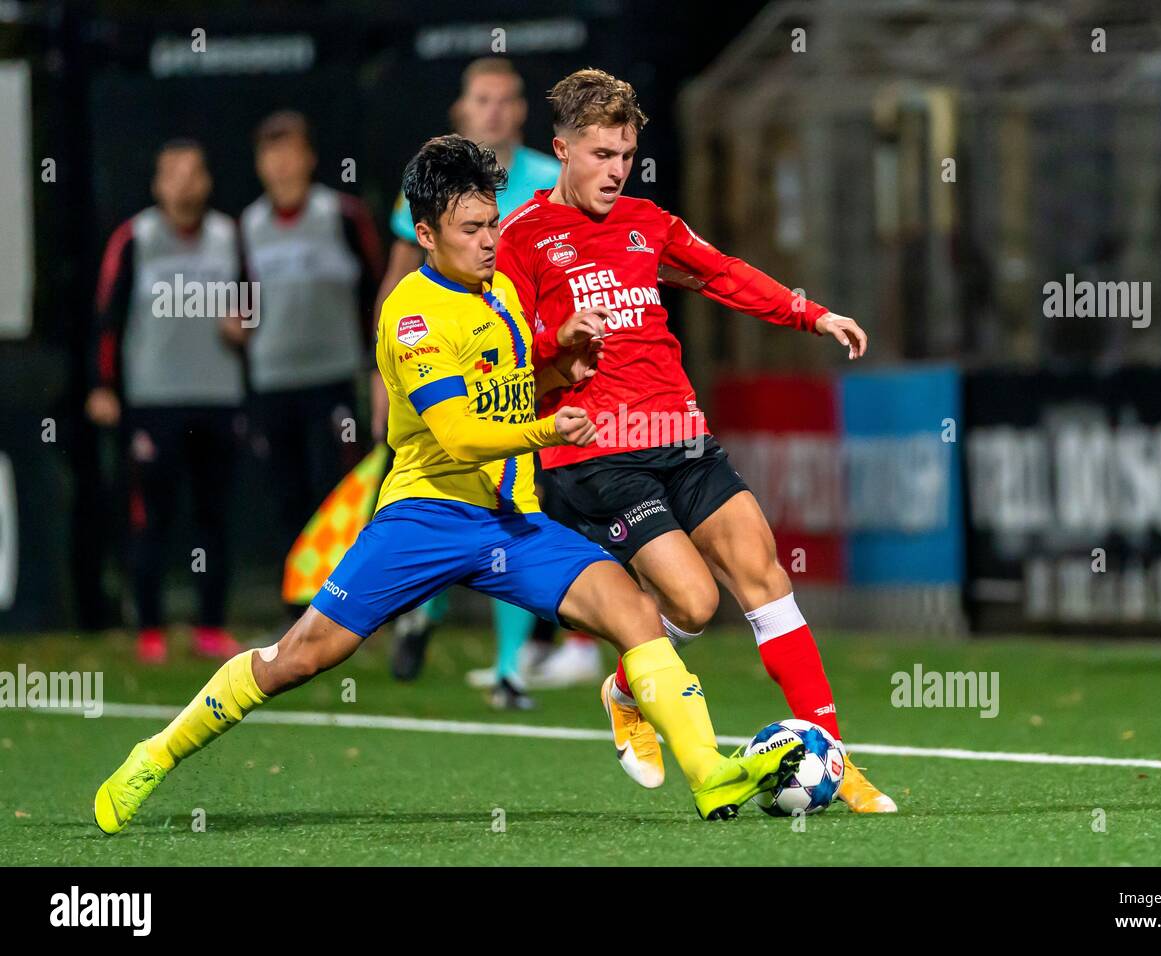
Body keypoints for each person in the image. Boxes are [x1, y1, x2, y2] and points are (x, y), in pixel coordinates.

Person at [94, 136, 804, 830]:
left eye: (493, 223)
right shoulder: (411, 316)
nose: (491, 240)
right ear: (426, 234)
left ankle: (709, 771)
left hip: (507, 521)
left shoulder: (499, 291)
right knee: (300, 657)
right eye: (472, 228)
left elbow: (514, 384)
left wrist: (561, 366)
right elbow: (461, 434)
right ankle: (153, 755)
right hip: (424, 517)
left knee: (634, 613)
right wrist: (549, 430)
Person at [496, 69, 897, 812]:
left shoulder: (648, 223)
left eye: (625, 154)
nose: (616, 170)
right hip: (597, 451)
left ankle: (835, 759)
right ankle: (628, 688)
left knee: (764, 572)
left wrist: (811, 314)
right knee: (691, 601)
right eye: (600, 155)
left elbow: (722, 276)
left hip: (679, 432)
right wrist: (557, 343)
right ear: (560, 151)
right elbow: (509, 357)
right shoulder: (521, 239)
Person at [373, 57, 599, 703]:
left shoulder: (546, 179)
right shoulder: (430, 183)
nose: (494, 110)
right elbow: (399, 278)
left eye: (505, 99)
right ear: (462, 110)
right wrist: (381, 368)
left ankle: (507, 667)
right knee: (460, 491)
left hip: (526, 357)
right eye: (482, 99)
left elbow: (574, 262)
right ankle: (426, 608)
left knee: (512, 500)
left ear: (522, 109)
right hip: (448, 362)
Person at [87, 139, 246, 664]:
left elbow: (250, 306)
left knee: (214, 517)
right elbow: (107, 318)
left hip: (218, 400)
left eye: (193, 172)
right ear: (158, 184)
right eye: (172, 173)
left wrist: (244, 326)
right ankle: (150, 627)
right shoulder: (136, 237)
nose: (183, 183)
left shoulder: (229, 235)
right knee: (150, 518)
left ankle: (210, 626)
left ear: (207, 182)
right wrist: (103, 387)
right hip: (153, 405)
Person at [239, 110, 384, 572]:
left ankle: (351, 601)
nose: (280, 163)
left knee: (341, 493)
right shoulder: (247, 226)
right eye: (270, 153)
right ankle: (297, 611)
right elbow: (240, 294)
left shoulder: (342, 215)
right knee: (287, 495)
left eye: (289, 151)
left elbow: (379, 289)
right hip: (272, 382)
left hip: (335, 380)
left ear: (309, 158)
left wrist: (378, 365)